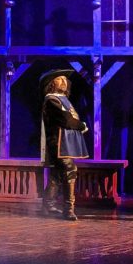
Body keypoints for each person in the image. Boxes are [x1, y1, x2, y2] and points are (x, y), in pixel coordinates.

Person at [40, 69, 89, 221]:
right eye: (59, 79)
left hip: (64, 142)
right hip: (58, 142)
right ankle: (69, 209)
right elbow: (66, 120)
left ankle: (48, 206)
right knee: (70, 169)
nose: (63, 82)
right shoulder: (51, 100)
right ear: (51, 83)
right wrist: (81, 125)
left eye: (64, 79)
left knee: (56, 174)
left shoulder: (63, 99)